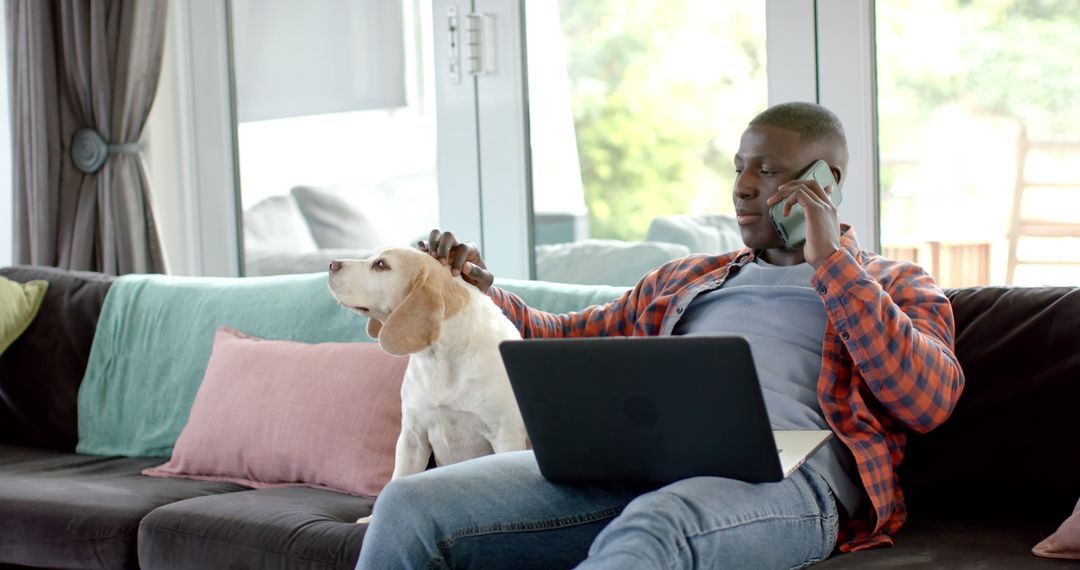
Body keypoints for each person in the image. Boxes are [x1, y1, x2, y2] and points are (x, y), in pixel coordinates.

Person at [355, 101, 965, 569]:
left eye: (768, 170)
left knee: (653, 529)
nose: (743, 186)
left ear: (824, 182)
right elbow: (562, 340)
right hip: (640, 466)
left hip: (785, 484)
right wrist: (484, 292)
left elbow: (929, 401)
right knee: (411, 506)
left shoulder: (893, 283)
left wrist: (832, 261)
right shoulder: (688, 279)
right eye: (738, 168)